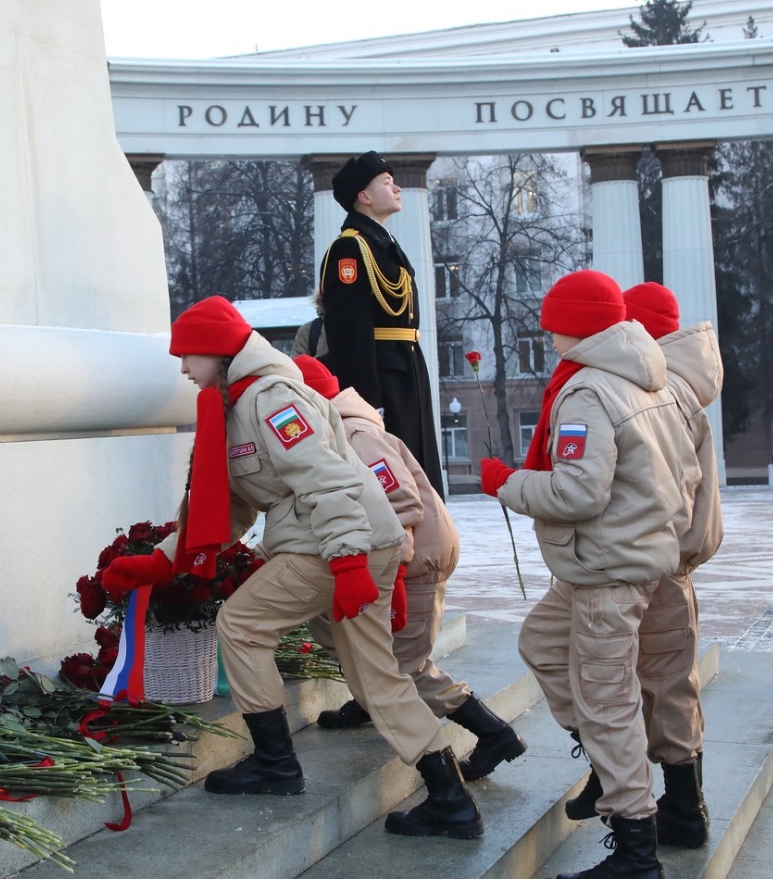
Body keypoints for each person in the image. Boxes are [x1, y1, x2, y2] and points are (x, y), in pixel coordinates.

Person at [103, 296, 482, 839]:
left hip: (332, 545)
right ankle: (451, 799)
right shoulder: (237, 404)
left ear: (215, 350)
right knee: (375, 679)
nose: (183, 368)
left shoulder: (272, 398)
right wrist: (159, 563)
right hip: (342, 544)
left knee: (240, 625)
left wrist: (350, 564)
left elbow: (326, 479)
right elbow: (230, 507)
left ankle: (277, 763)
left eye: (187, 355)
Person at [480, 270, 698, 879]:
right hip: (613, 562)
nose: (546, 336)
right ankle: (610, 760)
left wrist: (507, 483)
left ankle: (635, 850)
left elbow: (578, 492)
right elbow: (685, 476)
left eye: (550, 325)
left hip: (609, 569)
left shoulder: (588, 390)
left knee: (608, 705)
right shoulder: (643, 379)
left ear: (567, 327)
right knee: (542, 643)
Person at [292, 355, 526, 780]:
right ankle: (368, 702)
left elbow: (400, 504)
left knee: (403, 667)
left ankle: (493, 733)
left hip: (414, 562)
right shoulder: (334, 429)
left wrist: (399, 575)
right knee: (350, 637)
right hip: (388, 559)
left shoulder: (356, 435)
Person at [560, 283, 724, 846]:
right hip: (669, 556)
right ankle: (683, 807)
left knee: (630, 683)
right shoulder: (674, 386)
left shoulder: (653, 388)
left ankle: (646, 795)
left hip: (646, 558)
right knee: (667, 682)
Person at [319, 151, 443, 495]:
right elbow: (349, 334)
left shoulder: (385, 247)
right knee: (395, 475)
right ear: (365, 196)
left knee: (419, 466)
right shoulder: (350, 250)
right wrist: (367, 401)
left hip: (406, 369)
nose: (399, 188)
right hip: (382, 378)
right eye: (387, 183)